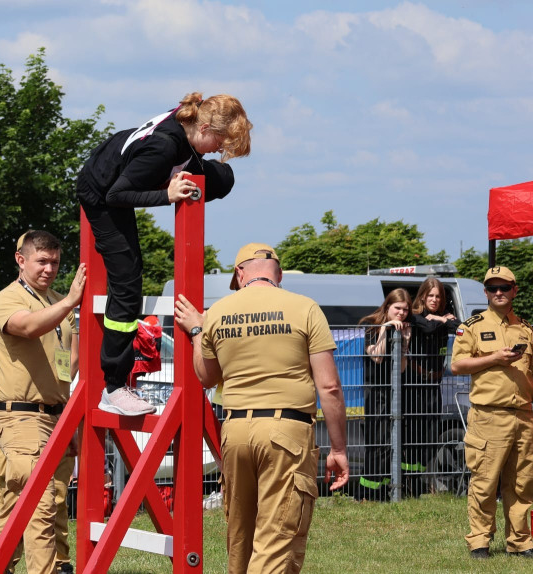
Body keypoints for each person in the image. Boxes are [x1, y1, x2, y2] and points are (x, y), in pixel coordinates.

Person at [174, 242, 348, 574]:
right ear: (278, 274)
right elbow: (329, 387)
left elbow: (207, 376)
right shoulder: (305, 308)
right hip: (287, 432)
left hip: (235, 431)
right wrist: (338, 448)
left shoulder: (218, 312)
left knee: (240, 539)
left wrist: (197, 331)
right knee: (277, 541)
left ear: (240, 273)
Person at [76, 92, 251, 416]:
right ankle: (114, 387)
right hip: (102, 191)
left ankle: (174, 180)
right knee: (128, 281)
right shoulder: (164, 148)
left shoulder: (188, 121)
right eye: (220, 142)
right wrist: (166, 194)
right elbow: (117, 195)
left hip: (135, 164)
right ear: (205, 128)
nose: (220, 149)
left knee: (223, 177)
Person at [0, 230, 84, 574]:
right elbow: (26, 327)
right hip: (22, 418)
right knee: (40, 505)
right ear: (21, 260)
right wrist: (69, 302)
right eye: (42, 261)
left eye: (55, 262)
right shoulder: (6, 299)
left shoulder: (57, 300)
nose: (49, 269)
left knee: (18, 508)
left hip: (55, 415)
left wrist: (66, 415)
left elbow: (71, 360)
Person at [450, 266, 533, 559]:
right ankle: (479, 541)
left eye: (504, 287)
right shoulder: (471, 326)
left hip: (523, 416)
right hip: (489, 415)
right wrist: (495, 357)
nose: (499, 292)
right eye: (493, 288)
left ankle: (520, 542)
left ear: (514, 291)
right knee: (484, 483)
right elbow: (457, 365)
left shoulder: (526, 329)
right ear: (485, 292)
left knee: (522, 484)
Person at [355, 288, 413, 500]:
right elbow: (377, 358)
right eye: (397, 308)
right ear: (387, 306)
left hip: (395, 393)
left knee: (393, 444)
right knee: (378, 444)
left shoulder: (403, 329)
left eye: (405, 310)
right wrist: (384, 329)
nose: (401, 313)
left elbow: (402, 369)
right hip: (376, 393)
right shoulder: (371, 326)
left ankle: (384, 493)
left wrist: (405, 342)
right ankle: (365, 494)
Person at [407, 277, 462, 495]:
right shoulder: (414, 316)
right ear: (422, 296)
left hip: (434, 384)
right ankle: (408, 483)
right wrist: (442, 320)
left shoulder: (439, 316)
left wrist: (440, 318)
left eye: (438, 296)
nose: (434, 299)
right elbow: (428, 328)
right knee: (414, 436)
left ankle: (420, 481)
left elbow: (461, 328)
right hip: (415, 384)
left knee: (430, 436)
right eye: (430, 295)